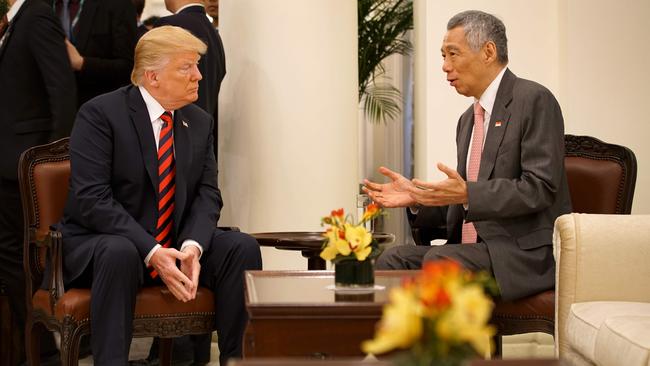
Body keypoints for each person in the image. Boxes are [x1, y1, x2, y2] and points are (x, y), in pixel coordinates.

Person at [57, 25, 262, 366]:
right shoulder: (100, 114)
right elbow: (92, 198)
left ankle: (238, 361)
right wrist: (151, 251)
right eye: (186, 67)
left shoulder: (198, 121)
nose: (198, 75)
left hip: (174, 243)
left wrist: (192, 246)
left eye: (197, 65)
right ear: (152, 77)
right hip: (109, 246)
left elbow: (207, 194)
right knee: (120, 250)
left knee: (241, 248)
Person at [364, 10, 571, 301]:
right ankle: (403, 346)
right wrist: (418, 197)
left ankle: (448, 348)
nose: (445, 66)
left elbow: (540, 188)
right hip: (472, 250)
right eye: (442, 56)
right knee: (392, 261)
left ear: (488, 51)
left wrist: (468, 194)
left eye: (453, 54)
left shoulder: (534, 100)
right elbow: (462, 203)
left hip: (522, 253)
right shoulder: (467, 120)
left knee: (442, 263)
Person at [0, 0, 76, 364]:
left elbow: (62, 92)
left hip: (24, 168)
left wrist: (48, 164)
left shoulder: (37, 16)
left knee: (19, 258)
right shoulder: (17, 22)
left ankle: (42, 350)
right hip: (10, 164)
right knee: (12, 257)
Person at [156, 0, 225, 166]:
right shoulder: (214, 33)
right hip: (202, 141)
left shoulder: (171, 26)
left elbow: (152, 84)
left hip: (169, 141)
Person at [52, 0, 138, 107]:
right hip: (50, 105)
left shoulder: (118, 5)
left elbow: (129, 66)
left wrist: (82, 63)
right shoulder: (44, 6)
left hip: (98, 107)